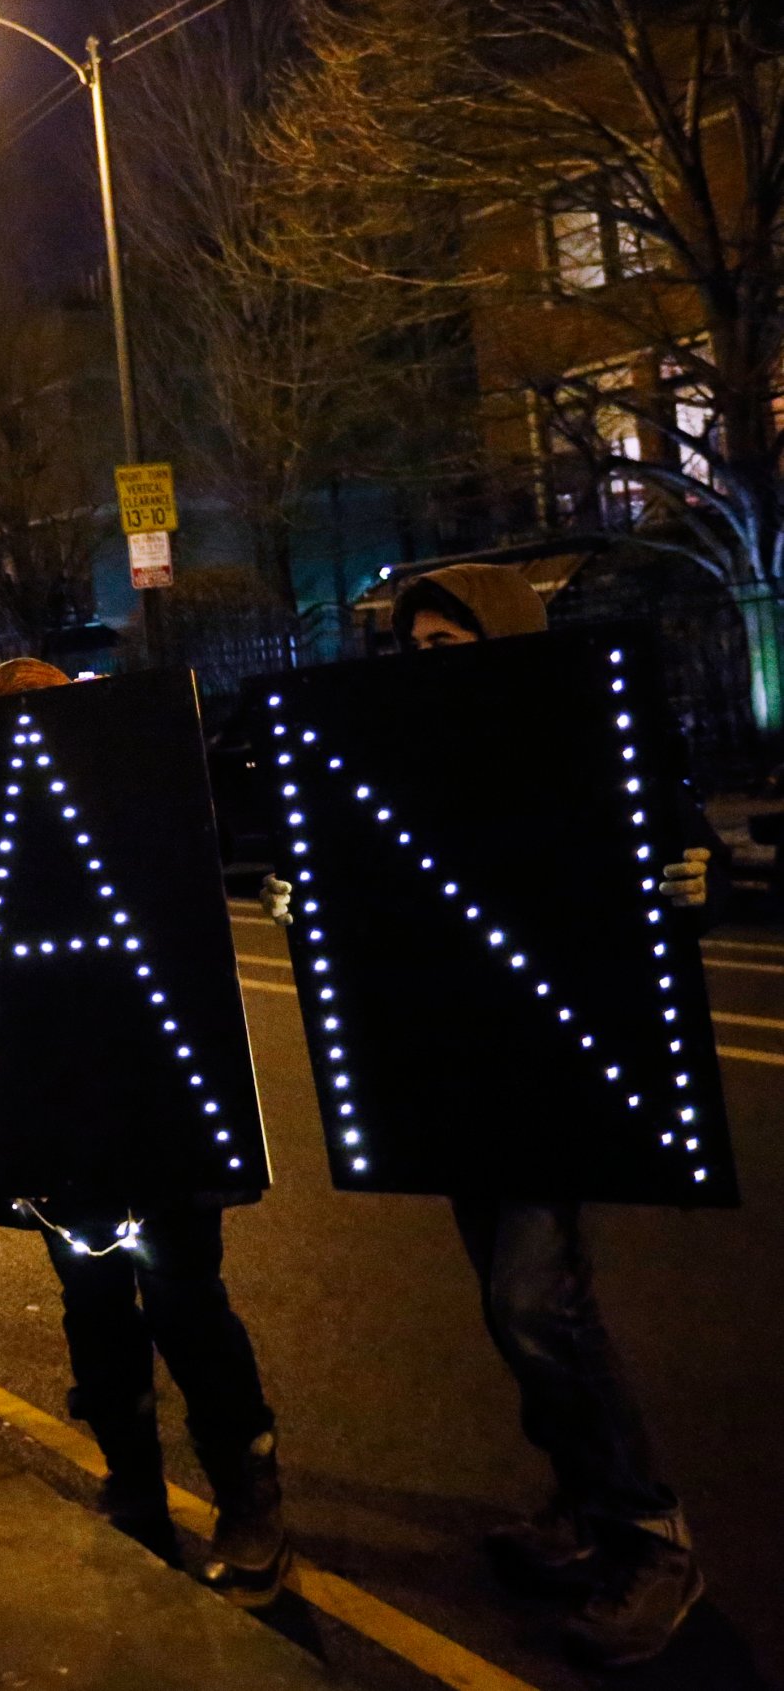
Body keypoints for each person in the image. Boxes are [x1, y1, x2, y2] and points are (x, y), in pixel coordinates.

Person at [263, 564, 708, 1664]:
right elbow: (365, 876)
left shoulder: (569, 740)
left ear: (503, 641)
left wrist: (687, 873)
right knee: (523, 1304)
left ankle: (650, 1532)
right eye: (410, 646)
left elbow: (658, 832)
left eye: (446, 642)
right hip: (458, 1071)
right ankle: (578, 1501)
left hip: (553, 1066)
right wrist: (303, 887)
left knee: (532, 1303)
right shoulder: (405, 762)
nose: (422, 663)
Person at [0, 657, 290, 1604]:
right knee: (94, 1311)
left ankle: (248, 1495)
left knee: (189, 1303)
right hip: (59, 1131)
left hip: (161, 1120)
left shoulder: (145, 812)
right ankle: (135, 1482)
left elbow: (201, 942)